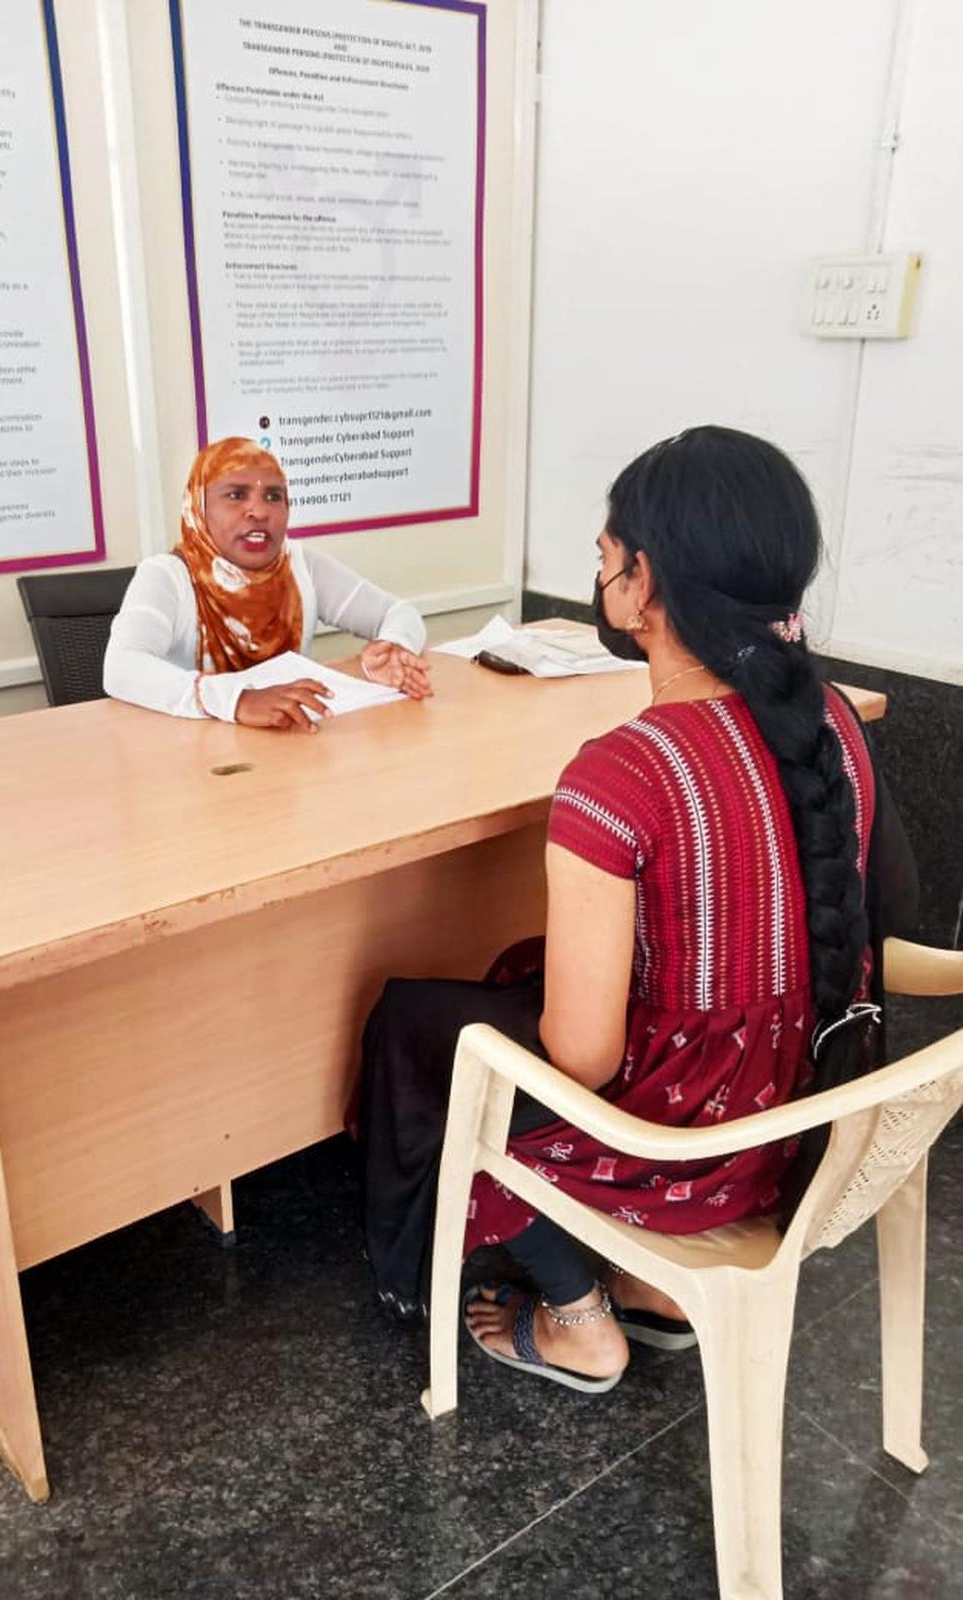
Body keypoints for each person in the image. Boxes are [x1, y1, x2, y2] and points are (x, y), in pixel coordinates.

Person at [358, 425, 916, 1392]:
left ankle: (577, 1314)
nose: (602, 575)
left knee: (417, 1022)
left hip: (684, 1141)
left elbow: (584, 1059)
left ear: (643, 582)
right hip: (803, 1112)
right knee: (516, 971)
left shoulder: (623, 774)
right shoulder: (830, 722)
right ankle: (655, 1295)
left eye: (606, 558)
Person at [104, 437, 432, 729]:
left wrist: (394, 649)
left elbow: (399, 612)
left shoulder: (300, 564)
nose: (259, 511)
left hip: (289, 749)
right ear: (199, 508)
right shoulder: (166, 577)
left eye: (274, 496)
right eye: (236, 495)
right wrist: (239, 700)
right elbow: (121, 667)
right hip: (192, 759)